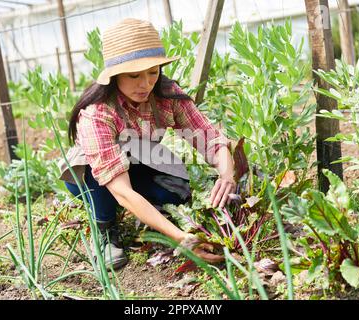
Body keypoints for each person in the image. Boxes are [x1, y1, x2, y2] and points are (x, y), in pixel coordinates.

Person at [58, 18, 235, 270]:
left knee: (175, 192)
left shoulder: (167, 95)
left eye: (153, 72)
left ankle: (153, 216)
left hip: (140, 160)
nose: (146, 84)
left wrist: (227, 175)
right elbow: (123, 190)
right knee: (102, 190)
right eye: (134, 75)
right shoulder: (97, 112)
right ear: (114, 75)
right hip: (92, 175)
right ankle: (106, 230)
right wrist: (182, 239)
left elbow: (210, 139)